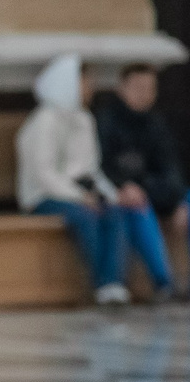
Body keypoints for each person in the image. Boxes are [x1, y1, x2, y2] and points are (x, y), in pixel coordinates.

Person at [19, 54, 136, 305]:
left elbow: (91, 169)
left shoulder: (84, 119)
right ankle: (101, 282)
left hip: (80, 194)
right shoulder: (44, 121)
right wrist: (80, 197)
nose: (90, 88)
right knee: (85, 216)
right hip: (43, 197)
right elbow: (44, 174)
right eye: (85, 82)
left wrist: (111, 195)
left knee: (115, 213)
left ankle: (114, 283)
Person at [94, 61, 184, 298]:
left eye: (149, 88)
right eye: (138, 87)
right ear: (122, 88)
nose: (144, 94)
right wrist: (124, 187)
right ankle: (163, 282)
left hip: (154, 191)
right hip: (123, 195)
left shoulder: (156, 124)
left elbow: (170, 169)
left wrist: (176, 201)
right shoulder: (106, 122)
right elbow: (102, 166)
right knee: (138, 207)